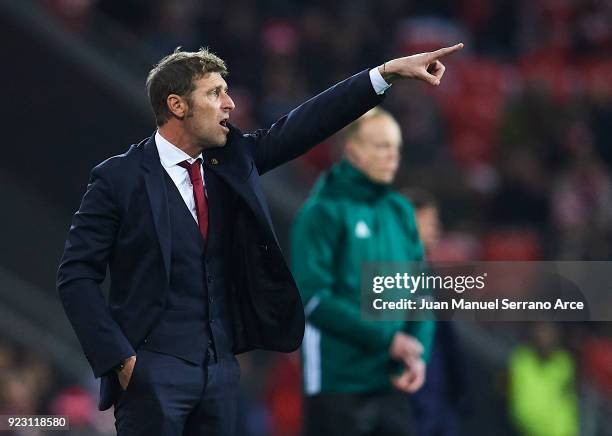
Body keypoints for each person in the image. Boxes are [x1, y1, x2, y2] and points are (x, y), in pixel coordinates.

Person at [57, 43, 464, 436]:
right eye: (215, 93)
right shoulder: (118, 178)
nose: (230, 104)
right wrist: (121, 360)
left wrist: (386, 73)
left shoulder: (233, 160)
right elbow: (76, 275)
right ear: (177, 105)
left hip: (219, 375)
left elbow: (308, 123)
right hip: (151, 373)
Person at [291, 108, 436, 436]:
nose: (393, 156)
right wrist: (388, 340)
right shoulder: (321, 213)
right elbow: (314, 301)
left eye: (396, 147)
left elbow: (421, 290)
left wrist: (416, 351)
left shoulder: (399, 210)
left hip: (391, 380)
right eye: (382, 146)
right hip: (337, 381)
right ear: (352, 149)